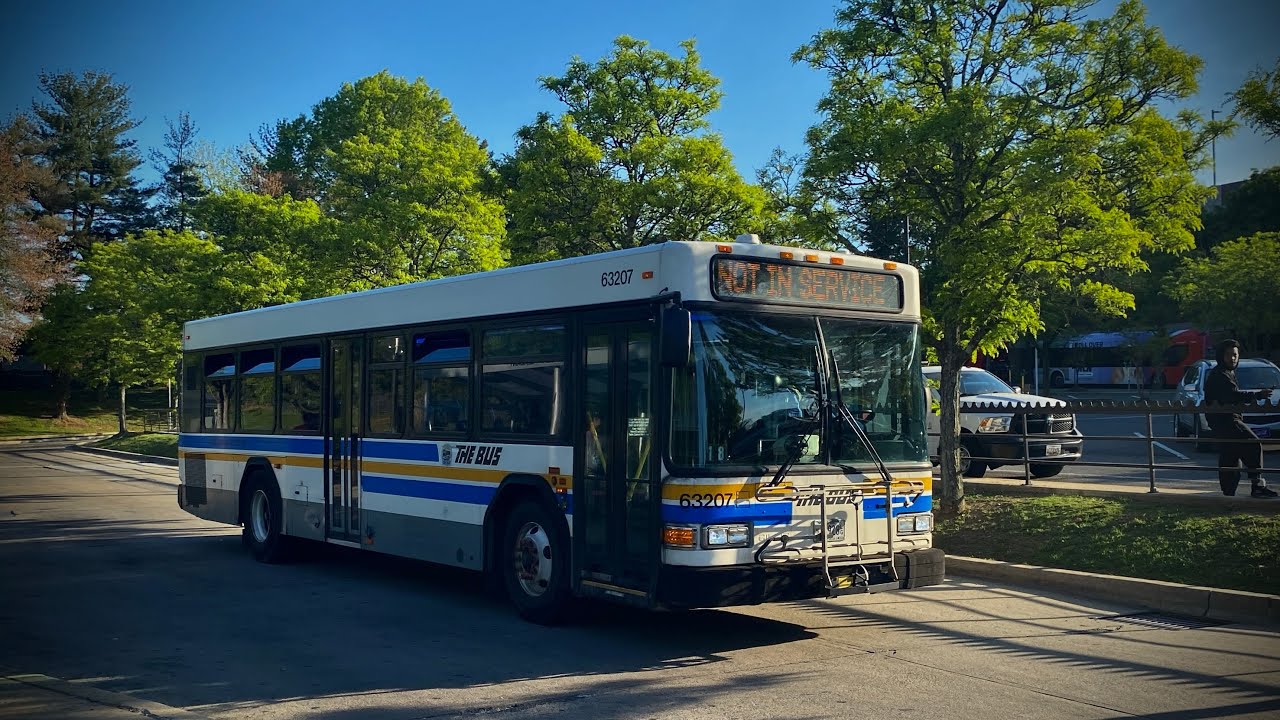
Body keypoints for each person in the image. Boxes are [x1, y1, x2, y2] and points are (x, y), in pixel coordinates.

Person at [1204, 339, 1276, 498]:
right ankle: (1257, 485)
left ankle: (1228, 495)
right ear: (1220, 356)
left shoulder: (1226, 373)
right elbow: (1231, 396)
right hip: (1227, 421)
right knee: (1253, 444)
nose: (1232, 358)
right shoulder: (1220, 375)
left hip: (1222, 423)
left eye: (1235, 355)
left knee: (1230, 456)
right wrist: (1257, 395)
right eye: (1228, 355)